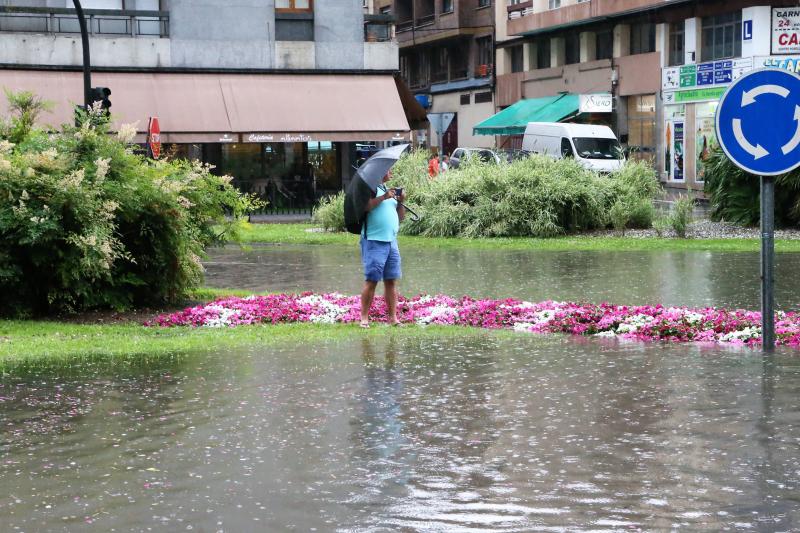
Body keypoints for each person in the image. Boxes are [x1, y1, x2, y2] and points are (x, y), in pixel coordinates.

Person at [360, 171, 406, 328]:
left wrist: (400, 202)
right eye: (388, 169)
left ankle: (393, 318)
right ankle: (364, 318)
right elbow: (366, 206)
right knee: (371, 280)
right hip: (374, 240)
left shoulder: (388, 189)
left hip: (391, 241)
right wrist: (384, 197)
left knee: (391, 281)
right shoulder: (370, 188)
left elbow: (401, 218)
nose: (391, 172)